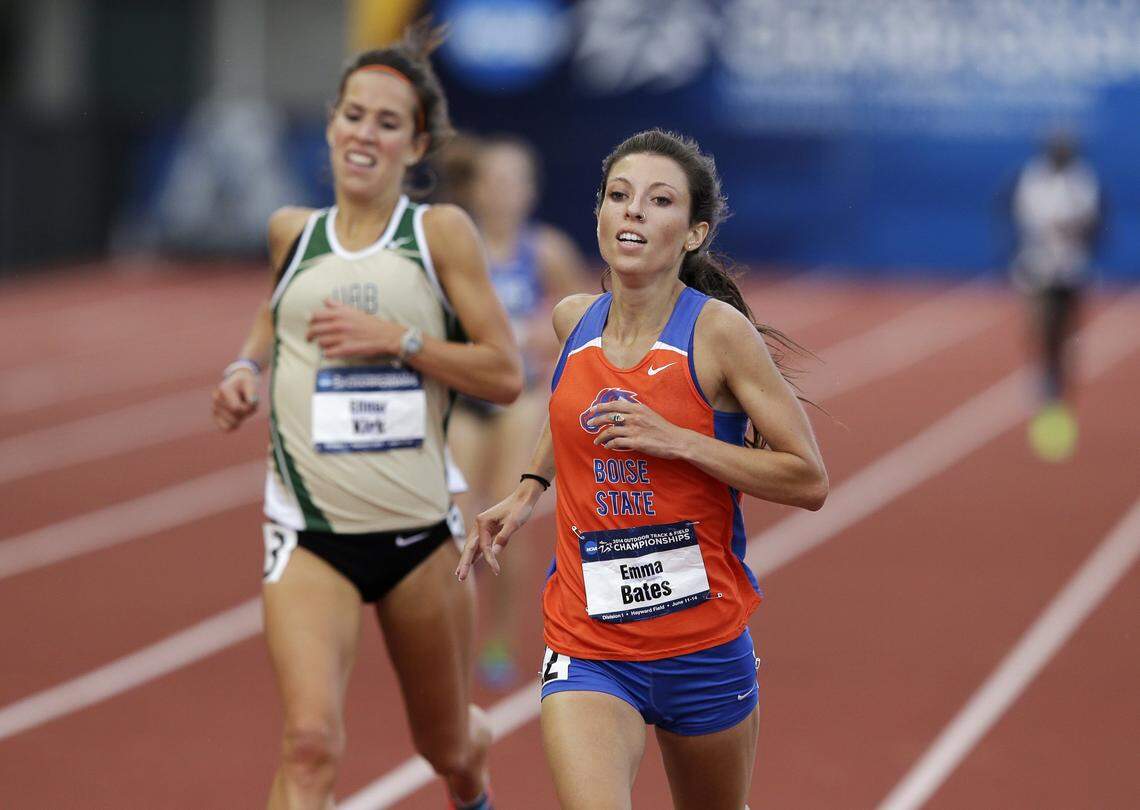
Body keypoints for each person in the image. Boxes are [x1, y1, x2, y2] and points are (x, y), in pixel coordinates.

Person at [456, 129, 828, 809]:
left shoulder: (717, 334)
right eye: (619, 196)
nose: (632, 211)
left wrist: (679, 441)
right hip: (589, 644)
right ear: (598, 213)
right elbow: (567, 405)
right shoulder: (575, 321)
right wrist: (529, 487)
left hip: (703, 647)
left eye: (658, 201)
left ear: (692, 233)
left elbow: (809, 479)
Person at [210, 22, 521, 810]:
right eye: (354, 114)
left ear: (415, 147)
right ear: (331, 121)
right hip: (308, 533)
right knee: (310, 743)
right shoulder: (292, 232)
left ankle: (473, 778)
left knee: (444, 744)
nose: (364, 134)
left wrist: (402, 340)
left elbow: (505, 373)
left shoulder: (438, 235)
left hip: (417, 535)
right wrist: (246, 369)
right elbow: (275, 315)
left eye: (387, 123)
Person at [440, 133, 592, 689]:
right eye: (494, 180)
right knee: (454, 521)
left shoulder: (545, 249)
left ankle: (501, 637)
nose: (504, 191)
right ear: (476, 189)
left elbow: (586, 323)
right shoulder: (456, 247)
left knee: (503, 525)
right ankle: (456, 633)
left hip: (519, 398)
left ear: (530, 191)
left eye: (514, 180)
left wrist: (535, 335)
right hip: (465, 397)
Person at [1009, 131, 1104, 462]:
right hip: (1039, 269)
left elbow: (1091, 220)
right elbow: (1027, 216)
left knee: (1066, 332)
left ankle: (1061, 384)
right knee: (1040, 327)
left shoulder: (1083, 179)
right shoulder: (1033, 178)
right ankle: (1043, 379)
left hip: (1071, 269)